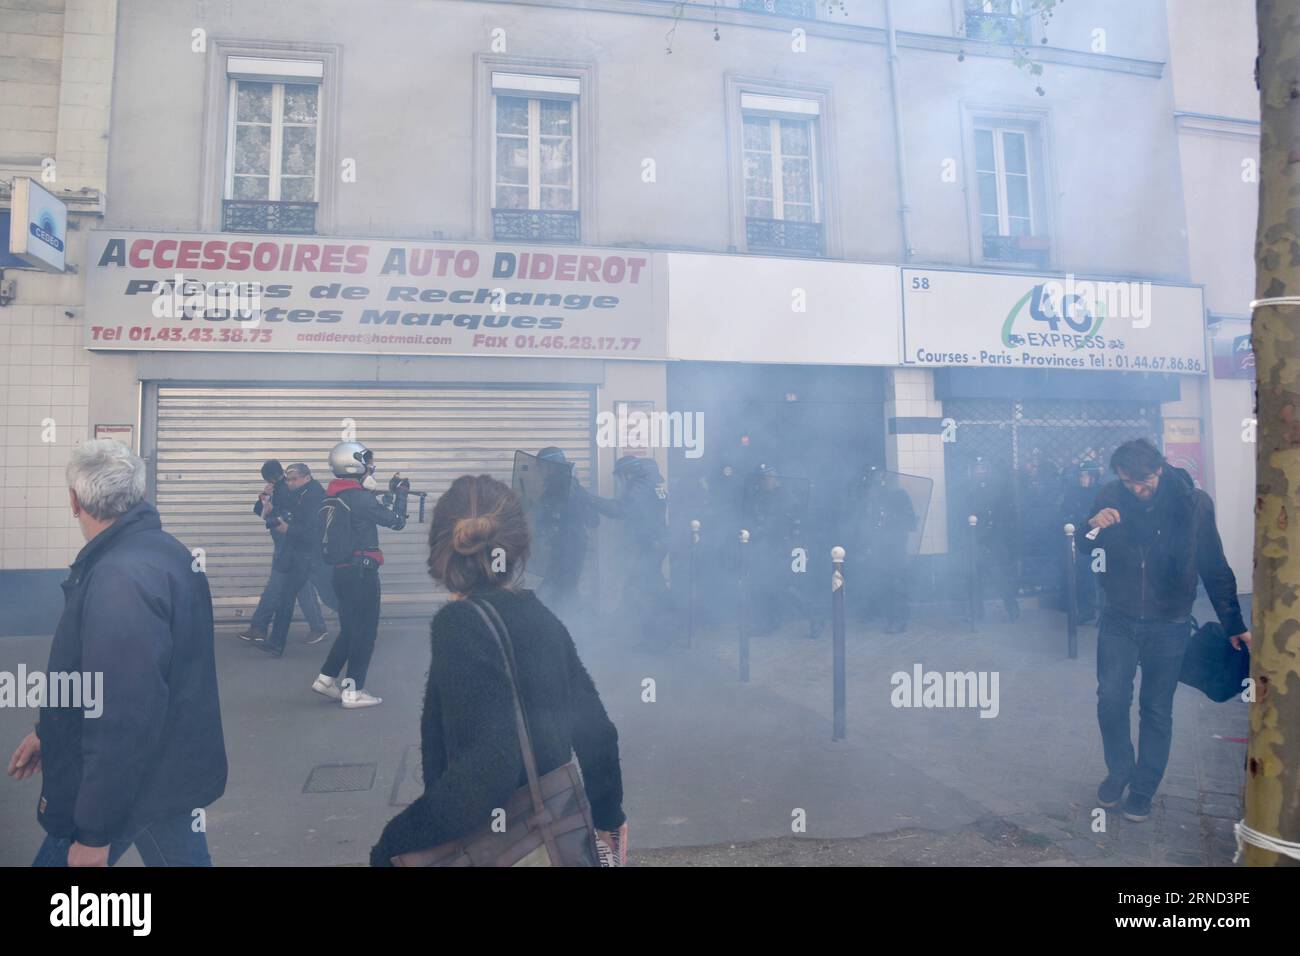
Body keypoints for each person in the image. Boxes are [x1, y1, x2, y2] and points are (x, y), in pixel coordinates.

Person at [368, 474, 626, 866]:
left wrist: (392, 844)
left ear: (441, 546)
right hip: (554, 842)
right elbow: (597, 733)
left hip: (502, 845)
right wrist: (609, 820)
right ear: (520, 544)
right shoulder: (539, 615)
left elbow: (486, 769)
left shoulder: (459, 625)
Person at [8, 439, 227, 867]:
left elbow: (122, 714)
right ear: (138, 494)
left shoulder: (120, 578)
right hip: (168, 770)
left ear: (74, 501)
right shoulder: (164, 551)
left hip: (132, 784)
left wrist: (93, 834)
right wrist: (50, 734)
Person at [1087, 438, 1249, 823]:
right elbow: (1084, 548)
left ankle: (1143, 788)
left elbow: (1213, 563)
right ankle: (1120, 770)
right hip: (1118, 619)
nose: (1136, 491)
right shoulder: (1110, 494)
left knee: (1156, 709)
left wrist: (1235, 623)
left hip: (1170, 623)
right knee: (1110, 699)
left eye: (1143, 482)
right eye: (1129, 482)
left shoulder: (1193, 503)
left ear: (1159, 469)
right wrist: (1091, 527)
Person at [311, 441, 407, 709]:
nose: (371, 466)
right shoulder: (360, 498)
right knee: (365, 632)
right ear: (355, 465)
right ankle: (354, 691)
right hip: (362, 574)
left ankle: (326, 679)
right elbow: (397, 521)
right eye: (367, 461)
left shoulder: (331, 497)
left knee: (351, 629)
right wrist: (401, 494)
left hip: (340, 574)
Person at [240, 459, 331, 645]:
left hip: (293, 547)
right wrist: (265, 496)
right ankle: (315, 627)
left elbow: (301, 518)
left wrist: (281, 517)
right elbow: (260, 511)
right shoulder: (279, 489)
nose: (284, 481)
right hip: (285, 547)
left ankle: (262, 629)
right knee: (297, 589)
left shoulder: (295, 490)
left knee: (280, 589)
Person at [591, 455, 673, 651]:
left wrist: (589, 499)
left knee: (647, 590)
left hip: (652, 544)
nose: (619, 483)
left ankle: (661, 638)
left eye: (619, 477)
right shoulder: (654, 481)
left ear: (627, 473)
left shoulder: (641, 485)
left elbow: (621, 510)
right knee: (642, 586)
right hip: (656, 542)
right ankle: (652, 635)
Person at [528, 446, 600, 622]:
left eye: (542, 467)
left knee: (560, 591)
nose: (540, 472)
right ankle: (576, 628)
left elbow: (591, 519)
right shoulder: (565, 486)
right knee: (560, 589)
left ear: (551, 466)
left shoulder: (565, 488)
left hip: (569, 548)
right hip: (566, 547)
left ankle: (579, 629)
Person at [955, 456, 1020, 622]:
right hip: (974, 538)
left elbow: (1007, 512)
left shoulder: (998, 488)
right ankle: (977, 612)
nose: (980, 471)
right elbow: (960, 512)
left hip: (994, 538)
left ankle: (1012, 609)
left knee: (1001, 576)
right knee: (974, 577)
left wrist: (1002, 533)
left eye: (983, 467)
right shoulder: (965, 488)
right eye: (977, 468)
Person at [854, 464, 917, 634]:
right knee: (881, 582)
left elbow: (910, 521)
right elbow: (867, 522)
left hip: (895, 547)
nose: (877, 482)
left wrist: (891, 524)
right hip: (877, 546)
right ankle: (880, 614)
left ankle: (899, 620)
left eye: (879, 477)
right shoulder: (872, 498)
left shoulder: (899, 496)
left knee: (897, 584)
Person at [1058, 460, 1102, 623]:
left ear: (1094, 476)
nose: (1082, 479)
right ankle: (1086, 611)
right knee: (1083, 576)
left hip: (1100, 541)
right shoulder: (1073, 493)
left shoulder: (1102, 492)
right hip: (1081, 540)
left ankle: (1103, 613)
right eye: (1081, 475)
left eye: (1086, 475)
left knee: (1101, 575)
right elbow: (1064, 512)